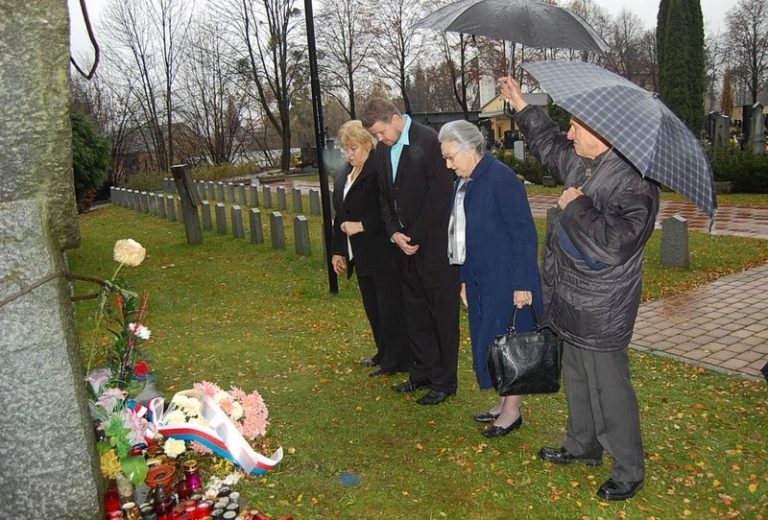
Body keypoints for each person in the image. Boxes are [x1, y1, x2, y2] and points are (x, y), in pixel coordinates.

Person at [498, 76, 659, 501]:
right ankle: (582, 445)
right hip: (570, 295)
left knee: (609, 387)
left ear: (604, 133)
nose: (569, 133)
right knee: (577, 376)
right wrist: (521, 104)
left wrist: (576, 205)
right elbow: (549, 144)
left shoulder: (634, 182)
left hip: (603, 305)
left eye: (576, 126)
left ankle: (628, 468)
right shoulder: (585, 162)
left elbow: (615, 243)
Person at [437, 120, 542, 437]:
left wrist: (523, 283)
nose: (448, 164)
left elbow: (524, 234)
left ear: (471, 148)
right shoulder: (465, 182)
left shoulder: (502, 179)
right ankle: (503, 401)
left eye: (451, 157)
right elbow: (463, 237)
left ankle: (512, 412)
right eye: (445, 158)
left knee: (511, 342)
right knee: (493, 341)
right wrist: (464, 279)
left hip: (507, 278)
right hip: (480, 277)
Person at [360, 98, 460, 406]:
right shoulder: (383, 151)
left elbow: (440, 196)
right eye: (375, 135)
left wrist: (414, 235)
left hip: (434, 248)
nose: (380, 139)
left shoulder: (428, 141)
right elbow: (383, 197)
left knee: (441, 317)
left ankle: (444, 381)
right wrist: (394, 233)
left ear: (395, 119)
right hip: (402, 248)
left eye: (381, 132)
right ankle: (422, 372)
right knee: (414, 315)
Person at [331, 120, 411, 376]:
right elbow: (340, 212)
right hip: (360, 253)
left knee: (389, 309)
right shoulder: (346, 172)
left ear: (367, 143)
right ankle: (383, 352)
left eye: (353, 148)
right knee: (373, 308)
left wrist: (363, 225)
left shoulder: (379, 168)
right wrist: (338, 250)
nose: (349, 154)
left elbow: (387, 209)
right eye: (345, 149)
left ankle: (397, 359)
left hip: (382, 250)